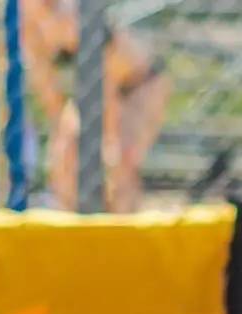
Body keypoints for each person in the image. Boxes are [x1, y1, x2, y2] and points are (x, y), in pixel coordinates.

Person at [21, 0, 171, 212]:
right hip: (90, 91)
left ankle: (124, 232)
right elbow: (45, 79)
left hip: (138, 86)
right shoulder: (28, 19)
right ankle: (74, 231)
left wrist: (107, 134)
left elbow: (106, 70)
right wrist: (59, 124)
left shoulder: (72, 12)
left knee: (121, 160)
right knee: (63, 158)